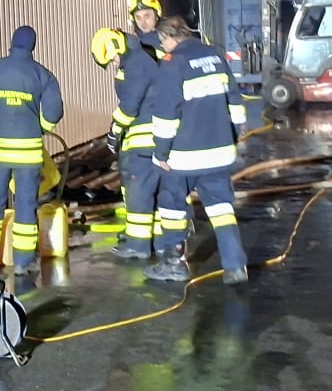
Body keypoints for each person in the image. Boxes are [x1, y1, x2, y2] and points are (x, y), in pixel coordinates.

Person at [146, 15, 249, 285]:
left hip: (184, 157)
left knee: (171, 205)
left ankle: (173, 264)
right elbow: (235, 102)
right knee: (221, 207)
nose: (162, 47)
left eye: (162, 42)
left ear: (168, 37)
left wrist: (161, 153)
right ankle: (236, 267)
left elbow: (166, 115)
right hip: (220, 152)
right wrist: (233, 138)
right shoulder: (215, 56)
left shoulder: (173, 63)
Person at [0, 25, 64, 284]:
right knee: (26, 205)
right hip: (28, 154)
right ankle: (23, 262)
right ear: (33, 47)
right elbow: (53, 112)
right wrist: (40, 127)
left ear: (11, 43)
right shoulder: (43, 75)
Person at [93, 25, 163, 260]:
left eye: (111, 58)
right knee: (154, 193)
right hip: (154, 138)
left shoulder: (135, 62)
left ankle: (138, 245)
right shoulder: (138, 58)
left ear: (115, 46)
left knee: (138, 193)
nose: (113, 63)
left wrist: (115, 130)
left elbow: (130, 105)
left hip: (142, 141)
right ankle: (158, 243)